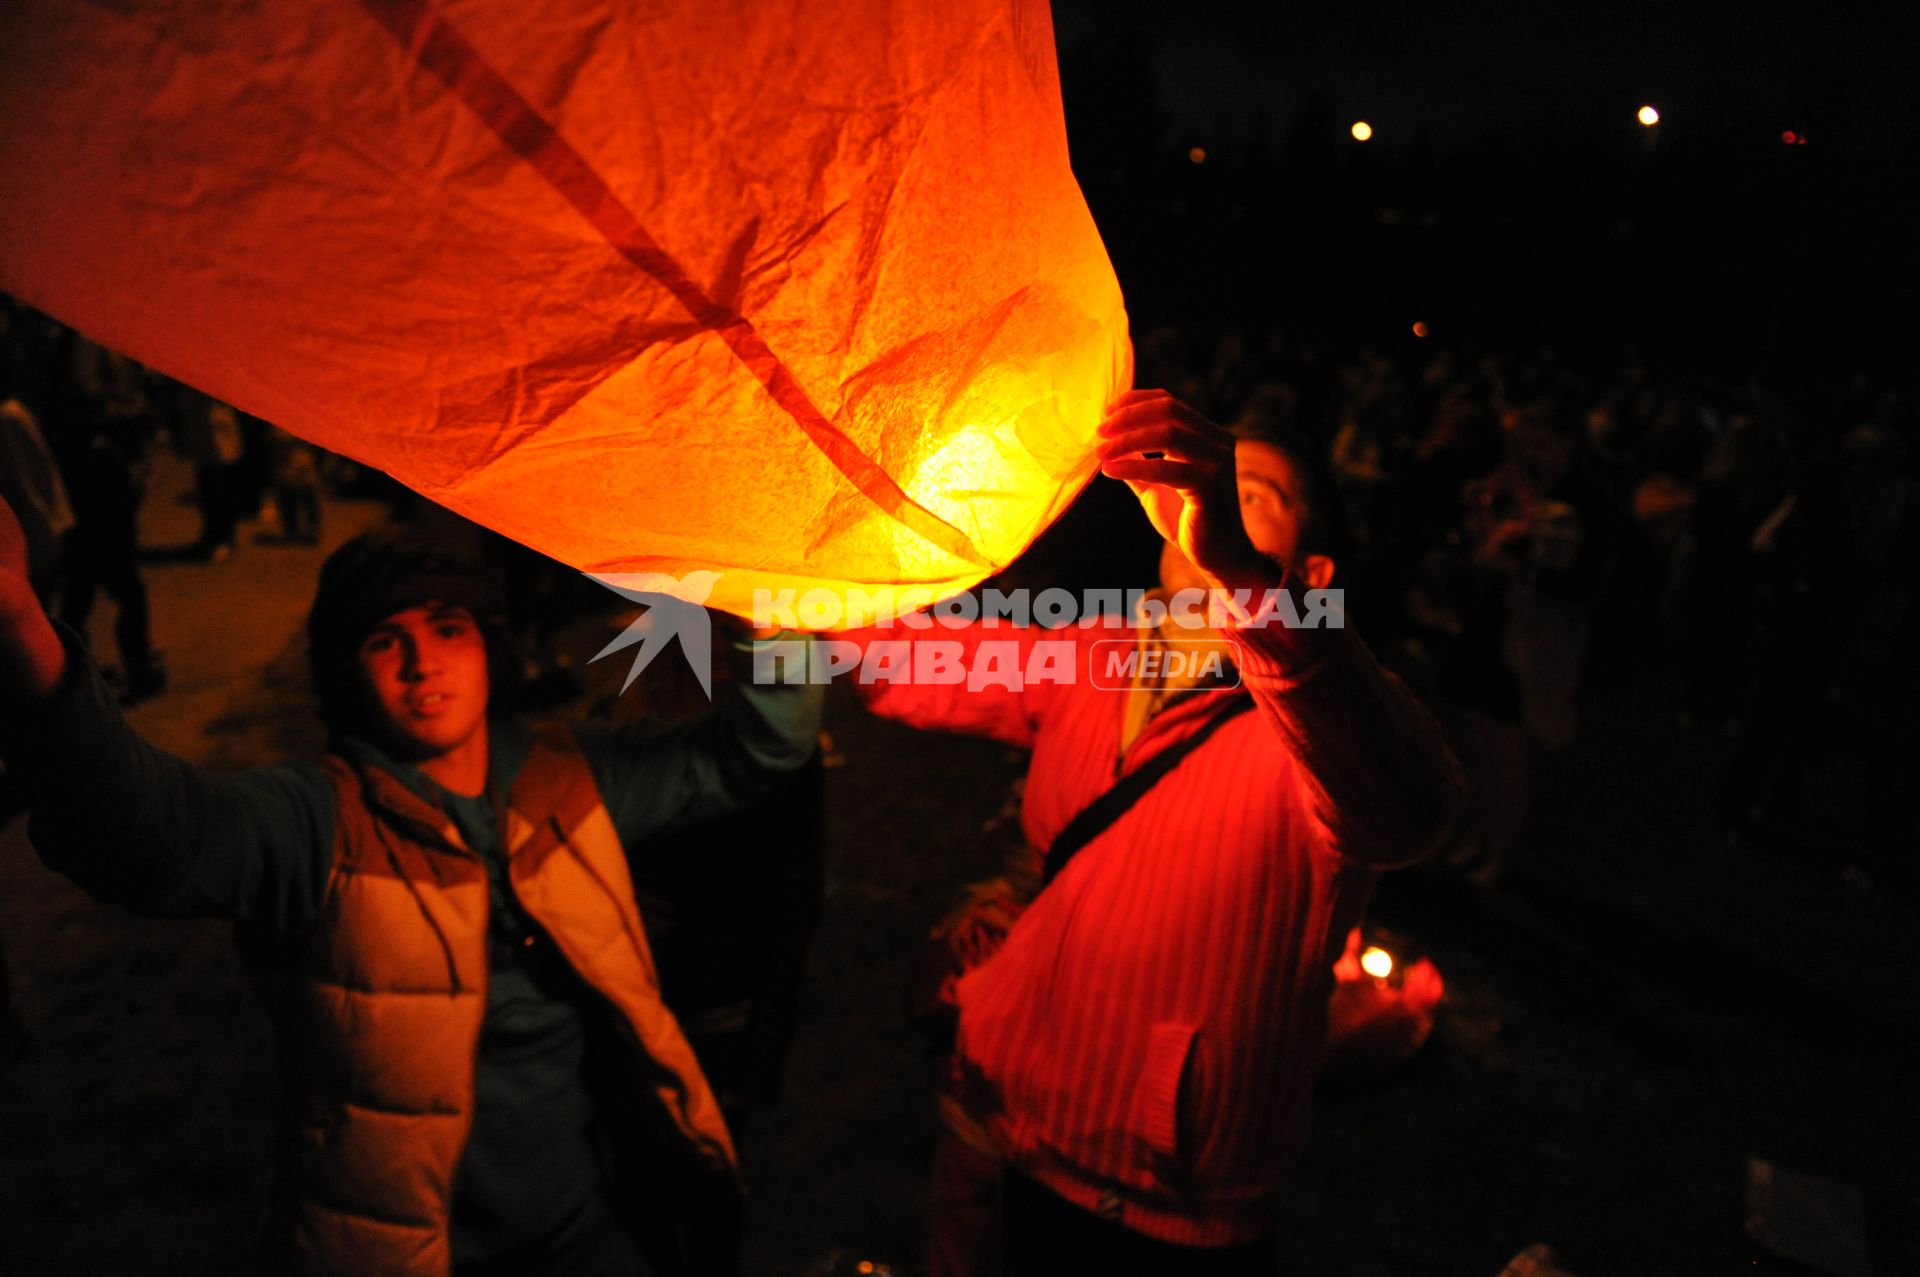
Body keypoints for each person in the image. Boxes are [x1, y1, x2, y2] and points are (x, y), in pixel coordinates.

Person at [0, 502, 822, 1277]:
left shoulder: (567, 777)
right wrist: (20, 626)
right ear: (345, 671)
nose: (423, 661)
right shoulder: (318, 822)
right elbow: (147, 833)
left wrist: (772, 601)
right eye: (385, 640)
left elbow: (757, 750)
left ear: (488, 648)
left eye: (448, 628)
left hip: (596, 1235)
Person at [848, 390, 1465, 1274]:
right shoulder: (1096, 653)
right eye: (1198, 485)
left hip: (1154, 1208)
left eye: (1251, 495)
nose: (1203, 507)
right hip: (989, 1125)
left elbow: (1415, 808)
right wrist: (787, 568)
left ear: (1313, 575)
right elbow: (896, 661)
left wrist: (1247, 584)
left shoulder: (1324, 722)